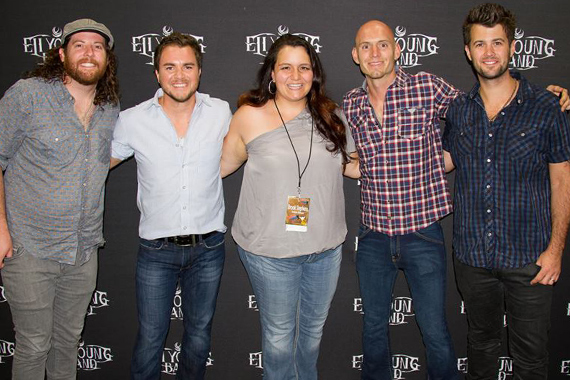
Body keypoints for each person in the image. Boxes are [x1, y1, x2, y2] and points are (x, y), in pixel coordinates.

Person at [342, 19, 569, 380]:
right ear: (355, 55)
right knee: (372, 332)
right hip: (373, 235)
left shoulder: (428, 87)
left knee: (435, 332)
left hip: (423, 234)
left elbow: (476, 108)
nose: (375, 53)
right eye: (366, 46)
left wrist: (550, 94)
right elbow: (355, 159)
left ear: (397, 50)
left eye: (383, 44)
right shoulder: (351, 104)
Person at [442, 3, 570, 379]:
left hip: (530, 257)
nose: (489, 52)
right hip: (472, 257)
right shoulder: (459, 111)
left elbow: (562, 180)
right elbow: (441, 162)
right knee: (480, 346)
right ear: (468, 52)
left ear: (512, 47)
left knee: (531, 358)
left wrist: (555, 250)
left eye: (497, 42)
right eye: (480, 44)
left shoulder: (547, 107)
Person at [221, 34, 358, 379]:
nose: (295, 76)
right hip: (270, 253)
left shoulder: (333, 117)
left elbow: (353, 165)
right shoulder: (248, 117)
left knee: (311, 337)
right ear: (272, 73)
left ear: (314, 74)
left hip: (324, 251)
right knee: (280, 340)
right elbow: (220, 168)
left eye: (303, 67)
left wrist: (403, 156)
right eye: (286, 67)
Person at [0, 18, 119, 379]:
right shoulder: (28, 94)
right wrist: (1, 229)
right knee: (34, 344)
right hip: (29, 248)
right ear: (61, 53)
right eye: (79, 45)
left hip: (82, 251)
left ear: (107, 59)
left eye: (97, 47)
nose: (88, 53)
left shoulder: (109, 109)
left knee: (69, 341)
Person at [110, 32, 231, 380]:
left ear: (199, 71)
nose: (180, 75)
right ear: (157, 74)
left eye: (188, 66)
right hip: (156, 250)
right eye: (170, 67)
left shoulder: (221, 112)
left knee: (198, 336)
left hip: (209, 247)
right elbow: (97, 166)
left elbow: (244, 148)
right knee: (150, 338)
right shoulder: (133, 120)